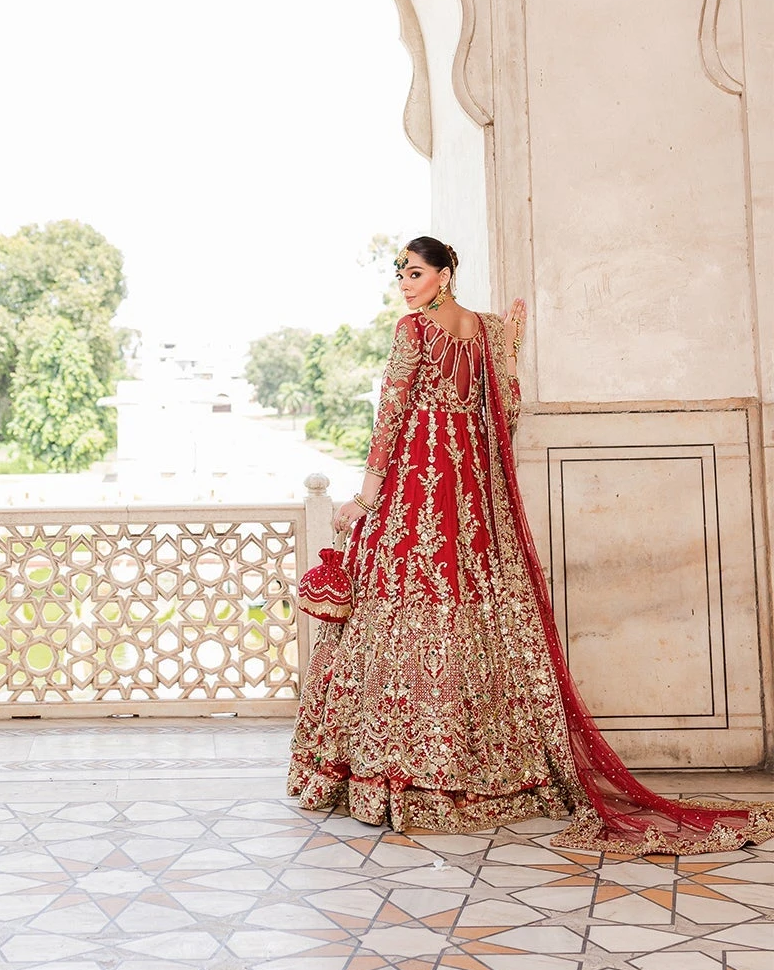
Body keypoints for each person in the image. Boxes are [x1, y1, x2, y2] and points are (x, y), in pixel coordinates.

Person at [289, 237, 773, 857]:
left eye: (415, 273)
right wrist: (510, 339)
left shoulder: (413, 331)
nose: (405, 285)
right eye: (401, 274)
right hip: (476, 496)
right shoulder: (490, 332)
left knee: (402, 615)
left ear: (444, 274)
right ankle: (488, 775)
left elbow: (390, 418)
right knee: (475, 619)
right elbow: (509, 414)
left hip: (418, 488)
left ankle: (407, 776)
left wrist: (364, 497)